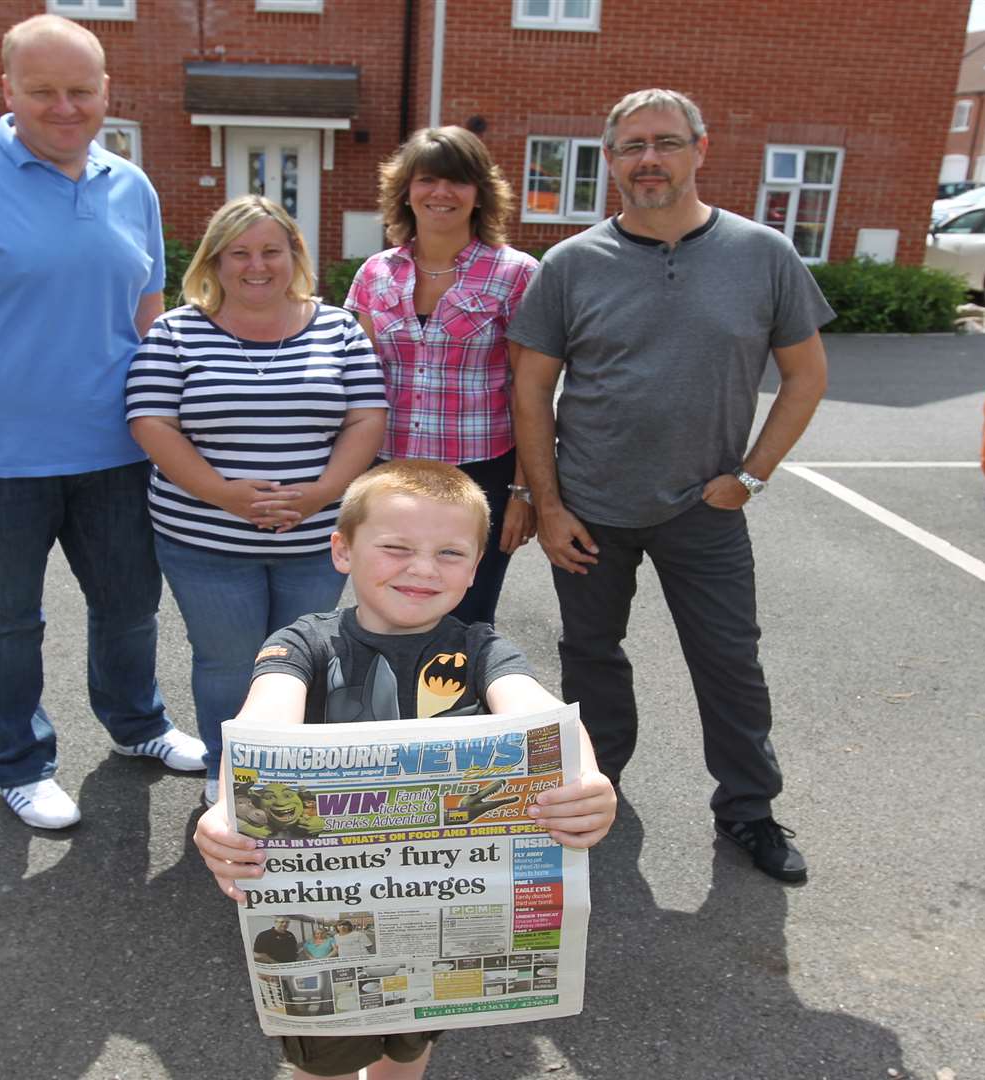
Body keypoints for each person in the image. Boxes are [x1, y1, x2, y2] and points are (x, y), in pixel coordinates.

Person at [0, 14, 206, 831]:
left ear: (106, 93)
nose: (65, 107)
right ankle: (21, 764)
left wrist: (167, 428)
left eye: (80, 91)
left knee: (130, 605)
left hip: (118, 454)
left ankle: (138, 725)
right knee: (5, 622)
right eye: (43, 91)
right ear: (7, 92)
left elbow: (148, 316)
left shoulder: (132, 187)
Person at [193, 460, 618, 1080]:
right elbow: (262, 724)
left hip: (440, 922)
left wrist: (584, 778)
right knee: (327, 1058)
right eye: (396, 547)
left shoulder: (482, 648)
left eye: (450, 553)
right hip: (325, 923)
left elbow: (540, 714)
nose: (423, 569)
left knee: (413, 1042)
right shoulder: (303, 644)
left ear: (475, 570)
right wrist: (228, 810)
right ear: (342, 550)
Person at [509, 88, 831, 884]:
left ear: (700, 148)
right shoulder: (572, 264)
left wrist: (751, 478)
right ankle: (596, 785)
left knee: (728, 662)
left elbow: (805, 376)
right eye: (631, 147)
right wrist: (546, 505)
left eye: (665, 142)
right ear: (611, 160)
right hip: (589, 511)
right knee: (590, 656)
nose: (648, 160)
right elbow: (529, 390)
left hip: (704, 510)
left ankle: (748, 810)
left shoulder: (763, 254)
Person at [127, 196, 387, 806]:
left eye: (272, 250)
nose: (256, 265)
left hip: (314, 538)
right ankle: (230, 773)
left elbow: (366, 417)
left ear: (294, 254)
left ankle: (289, 772)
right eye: (239, 253)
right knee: (226, 660)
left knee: (305, 658)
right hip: (205, 541)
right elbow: (150, 421)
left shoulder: (338, 328)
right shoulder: (176, 331)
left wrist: (324, 492)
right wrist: (226, 495)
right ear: (214, 262)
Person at [346, 127, 539, 626]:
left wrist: (523, 494)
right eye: (427, 179)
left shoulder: (514, 274)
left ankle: (461, 706)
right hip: (389, 475)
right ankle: (392, 704)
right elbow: (357, 384)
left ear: (480, 193)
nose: (441, 193)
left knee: (466, 616)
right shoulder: (375, 273)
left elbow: (531, 391)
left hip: (479, 477)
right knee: (388, 607)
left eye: (457, 181)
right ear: (406, 190)